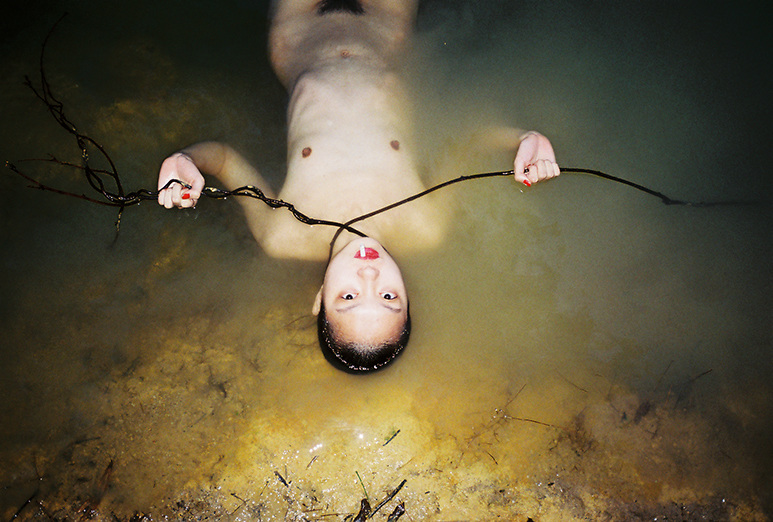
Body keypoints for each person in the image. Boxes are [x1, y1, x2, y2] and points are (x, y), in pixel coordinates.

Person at [156, 0, 560, 372]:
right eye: (389, 298)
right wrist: (523, 139)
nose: (369, 274)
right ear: (408, 297)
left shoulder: (283, 235)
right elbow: (465, 146)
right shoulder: (425, 226)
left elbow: (224, 161)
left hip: (299, 39)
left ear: (319, 300)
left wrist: (185, 160)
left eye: (348, 298)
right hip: (385, 35)